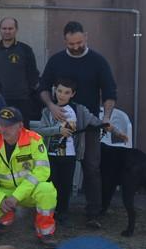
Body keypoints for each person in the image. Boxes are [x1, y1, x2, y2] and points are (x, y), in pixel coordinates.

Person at [39, 23, 118, 229]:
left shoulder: (98, 61)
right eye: (71, 43)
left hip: (87, 126)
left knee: (91, 167)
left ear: (86, 36)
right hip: (57, 125)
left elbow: (110, 92)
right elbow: (43, 87)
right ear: (65, 41)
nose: (75, 47)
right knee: (54, 170)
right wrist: (50, 106)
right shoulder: (56, 60)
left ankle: (93, 213)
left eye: (79, 43)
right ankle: (53, 210)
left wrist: (106, 117)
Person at [31, 78, 127, 225]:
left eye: (66, 92)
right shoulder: (48, 111)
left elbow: (99, 123)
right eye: (59, 91)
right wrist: (57, 130)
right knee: (50, 186)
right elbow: (40, 131)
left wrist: (117, 132)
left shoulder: (79, 111)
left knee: (65, 186)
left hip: (69, 156)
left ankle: (63, 213)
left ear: (73, 94)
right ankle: (48, 214)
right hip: (50, 156)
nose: (62, 95)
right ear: (55, 91)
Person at [0, 107, 58, 249]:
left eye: (8, 125)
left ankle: (45, 232)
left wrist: (17, 196)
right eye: (0, 125)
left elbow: (42, 171)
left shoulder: (35, 140)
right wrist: (0, 198)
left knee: (47, 190)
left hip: (28, 192)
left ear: (20, 126)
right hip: (4, 192)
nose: (3, 129)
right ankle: (6, 217)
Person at [0, 17, 39, 125]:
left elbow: (33, 75)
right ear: (0, 29)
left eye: (10, 28)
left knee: (22, 133)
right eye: (4, 28)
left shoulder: (25, 50)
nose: (7, 31)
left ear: (16, 30)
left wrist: (26, 93)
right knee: (0, 132)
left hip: (21, 101)